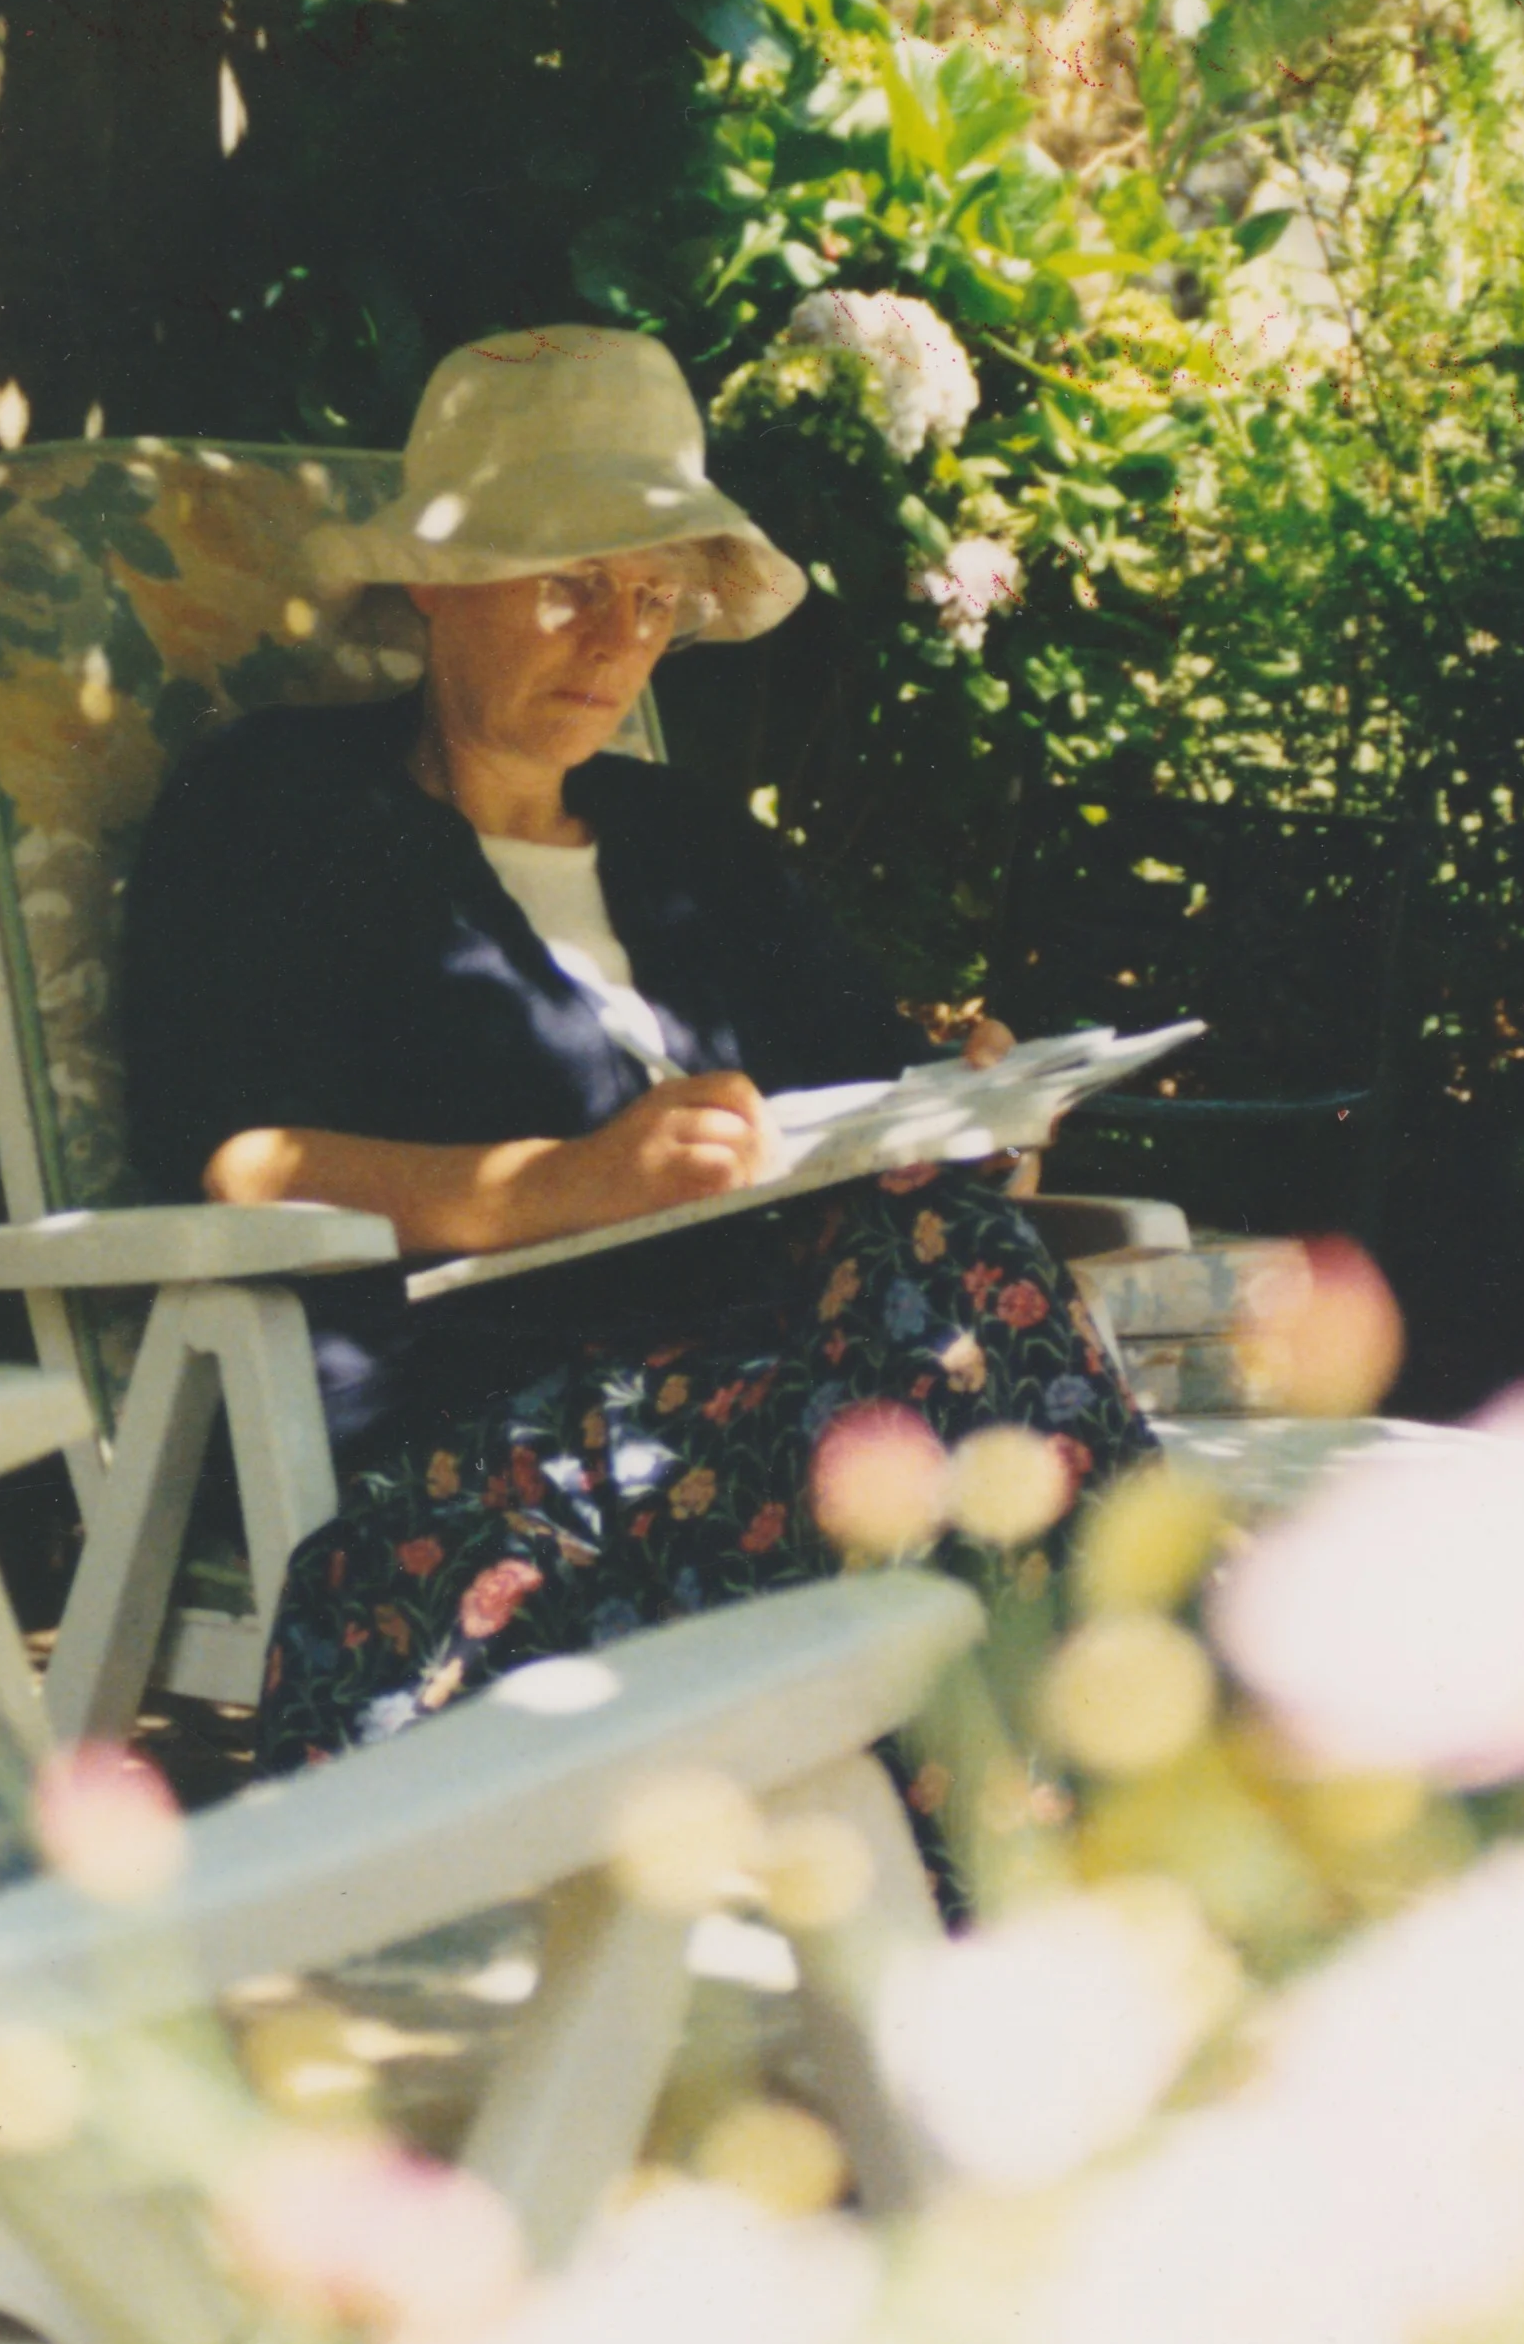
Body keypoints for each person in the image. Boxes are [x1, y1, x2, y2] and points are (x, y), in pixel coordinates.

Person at [120, 325, 1148, 1771]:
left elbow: (864, 1113)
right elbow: (233, 1155)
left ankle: (1059, 1853)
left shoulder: (690, 849)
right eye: (568, 583)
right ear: (435, 574)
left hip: (767, 1409)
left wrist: (974, 1107)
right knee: (942, 1453)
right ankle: (1110, 1847)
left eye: (653, 592)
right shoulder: (282, 810)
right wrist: (568, 1180)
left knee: (946, 1248)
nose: (620, 639)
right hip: (470, 1459)